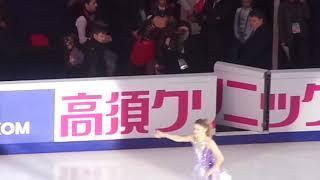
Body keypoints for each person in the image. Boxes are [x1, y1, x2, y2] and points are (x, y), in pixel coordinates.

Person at [155, 119, 224, 180]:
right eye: (194, 129)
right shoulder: (193, 138)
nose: (195, 131)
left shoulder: (209, 142)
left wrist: (210, 171)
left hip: (211, 169)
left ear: (205, 129)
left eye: (198, 129)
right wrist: (164, 135)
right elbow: (179, 138)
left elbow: (220, 158)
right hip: (201, 168)